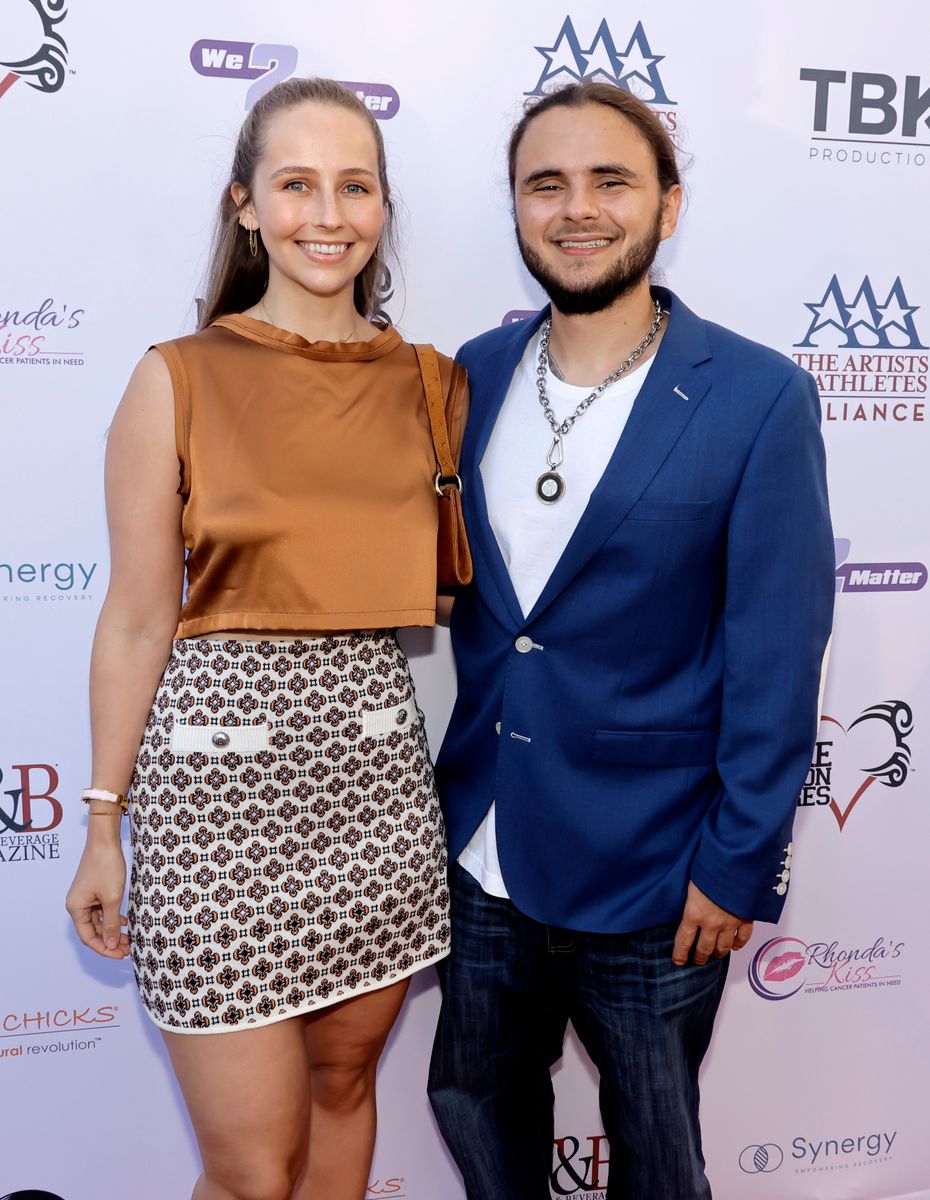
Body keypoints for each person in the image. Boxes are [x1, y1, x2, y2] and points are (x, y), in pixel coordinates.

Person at [427, 81, 834, 1200]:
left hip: (662, 875)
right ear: (516, 210)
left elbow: (776, 655)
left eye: (611, 180)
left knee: (658, 1160)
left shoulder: (756, 396)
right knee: (479, 1122)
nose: (577, 208)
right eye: (545, 184)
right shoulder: (471, 376)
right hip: (483, 855)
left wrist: (739, 864)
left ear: (668, 203)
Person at [65, 77, 466, 1200]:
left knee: (344, 1094)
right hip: (213, 817)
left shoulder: (433, 387)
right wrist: (105, 824)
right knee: (250, 1167)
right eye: (297, 184)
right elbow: (140, 614)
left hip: (376, 791)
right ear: (247, 205)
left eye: (355, 186)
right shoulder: (178, 378)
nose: (326, 214)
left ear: (383, 207)